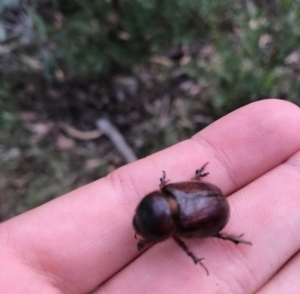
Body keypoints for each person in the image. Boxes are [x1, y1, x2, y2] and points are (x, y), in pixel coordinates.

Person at [1, 99, 300, 294]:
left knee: (208, 236)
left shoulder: (177, 219)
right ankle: (228, 236)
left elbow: (186, 242)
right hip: (206, 202)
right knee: (208, 233)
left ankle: (228, 237)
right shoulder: (168, 191)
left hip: (213, 211)